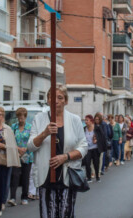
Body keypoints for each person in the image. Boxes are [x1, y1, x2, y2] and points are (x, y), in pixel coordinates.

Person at [27, 84, 88, 217]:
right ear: (47, 100)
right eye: (51, 97)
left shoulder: (75, 120)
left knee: (66, 213)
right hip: (46, 177)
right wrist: (44, 133)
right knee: (47, 214)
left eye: (59, 97)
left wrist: (65, 157)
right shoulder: (39, 119)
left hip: (67, 176)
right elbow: (30, 146)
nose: (55, 101)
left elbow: (83, 147)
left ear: (65, 101)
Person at [0, 106, 20, 217]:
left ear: (2, 116)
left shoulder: (8, 129)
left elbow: (12, 146)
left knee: (1, 184)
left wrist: (3, 146)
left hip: (3, 160)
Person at [8, 108, 33, 207]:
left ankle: (24, 197)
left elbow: (32, 141)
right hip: (16, 154)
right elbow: (10, 141)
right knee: (14, 176)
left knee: (25, 177)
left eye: (22, 118)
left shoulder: (30, 127)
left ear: (25, 117)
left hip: (27, 155)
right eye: (18, 118)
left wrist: (25, 149)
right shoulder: (13, 127)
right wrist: (18, 149)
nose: (20, 120)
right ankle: (13, 197)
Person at [83, 115, 100, 182]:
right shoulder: (84, 129)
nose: (85, 121)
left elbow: (102, 137)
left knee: (96, 163)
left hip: (95, 148)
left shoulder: (96, 128)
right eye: (85, 120)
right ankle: (89, 177)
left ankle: (97, 177)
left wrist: (97, 140)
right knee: (87, 163)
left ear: (91, 121)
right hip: (87, 149)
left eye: (87, 120)